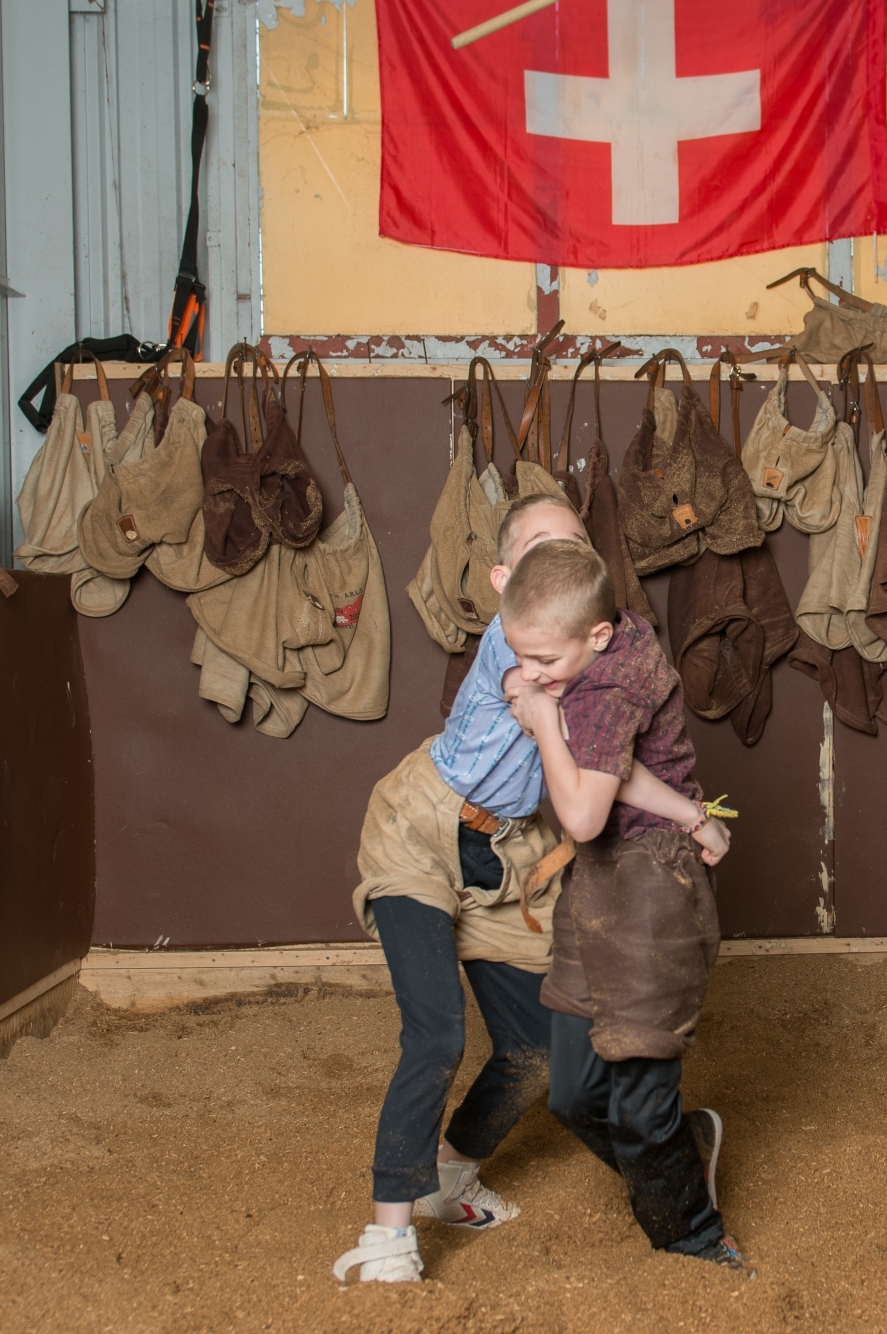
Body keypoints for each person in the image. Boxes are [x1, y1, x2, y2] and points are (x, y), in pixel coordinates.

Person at [333, 495, 703, 1286]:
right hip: (422, 832)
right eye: (536, 559)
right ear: (504, 582)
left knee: (538, 1047)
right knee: (435, 1033)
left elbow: (609, 767)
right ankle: (389, 1234)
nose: (551, 576)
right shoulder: (523, 646)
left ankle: (452, 1171)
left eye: (571, 556)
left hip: (510, 861)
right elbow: (572, 756)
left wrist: (693, 813)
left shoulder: (581, 654)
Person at [502, 539, 743, 1266]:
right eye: (524, 656)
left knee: (639, 1105)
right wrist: (695, 813)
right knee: (572, 1097)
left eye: (546, 661)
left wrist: (542, 718)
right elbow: (619, 771)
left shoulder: (605, 690)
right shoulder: (604, 642)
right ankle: (684, 1147)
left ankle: (698, 1238)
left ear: (598, 635)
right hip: (596, 879)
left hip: (649, 887)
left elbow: (581, 814)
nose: (532, 673)